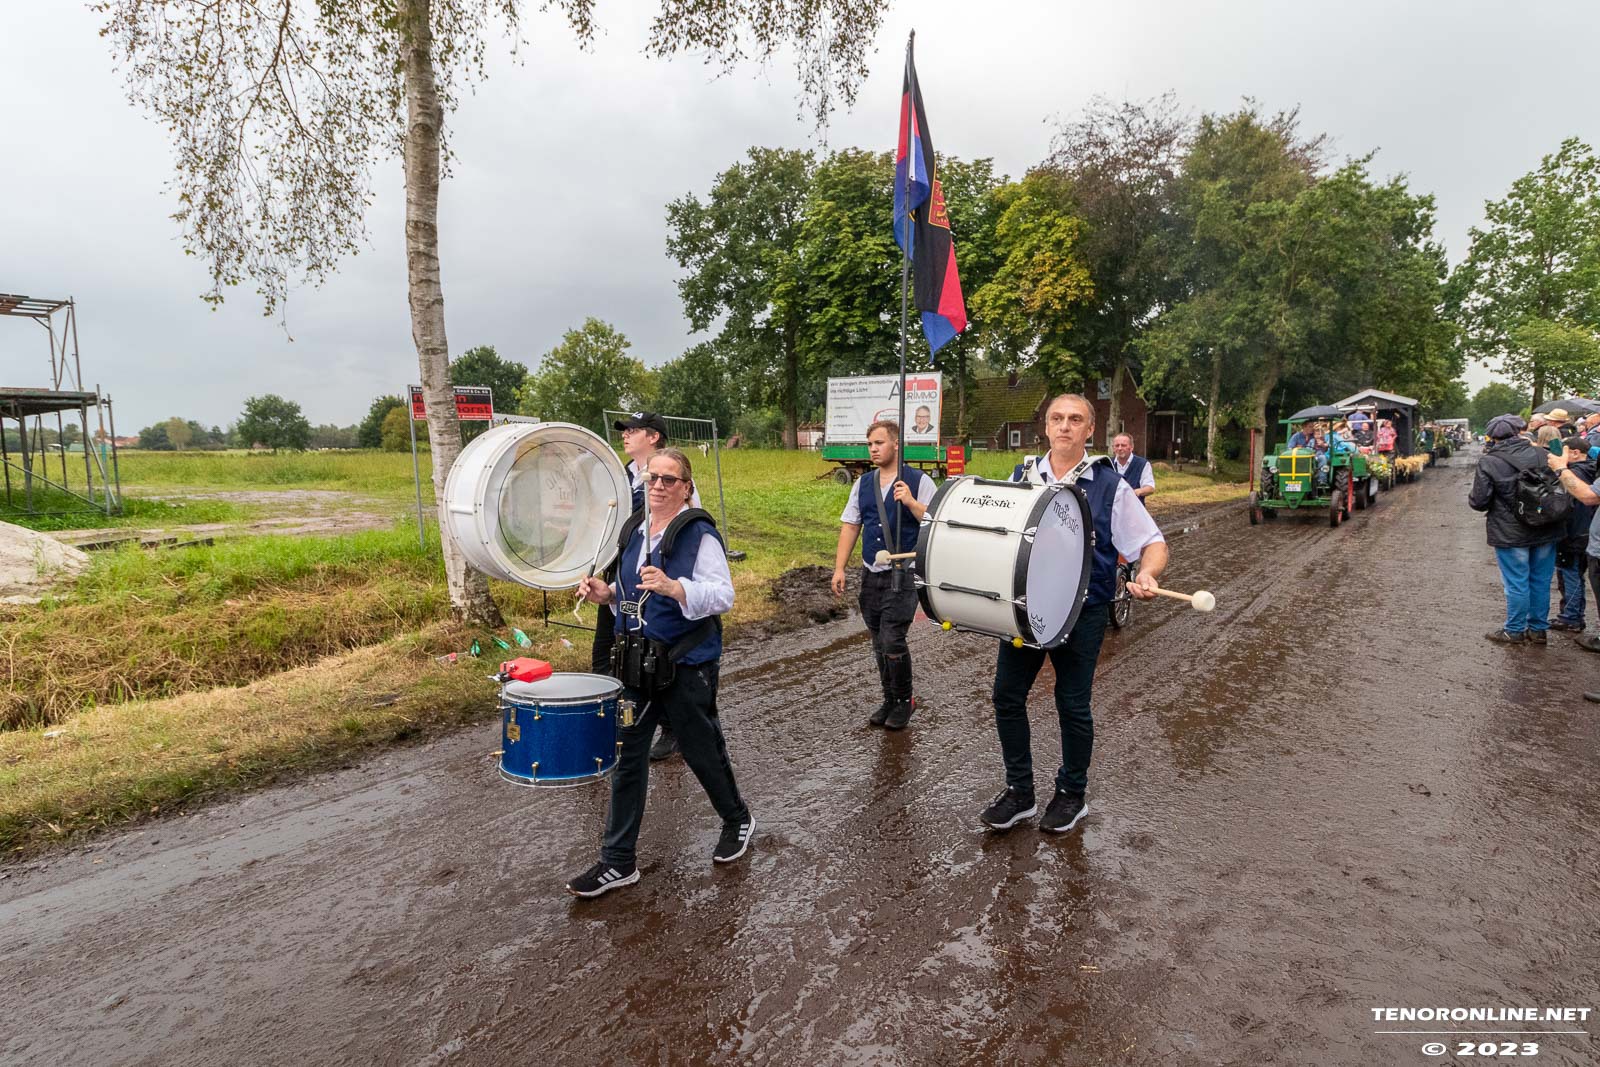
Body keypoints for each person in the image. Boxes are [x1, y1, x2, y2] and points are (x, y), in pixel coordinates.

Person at [567, 449, 752, 897]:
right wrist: (606, 594)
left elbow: (723, 596)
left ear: (686, 488)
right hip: (637, 664)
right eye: (653, 478)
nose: (659, 486)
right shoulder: (633, 530)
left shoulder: (698, 535)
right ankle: (618, 862)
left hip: (686, 663)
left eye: (669, 479)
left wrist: (676, 588)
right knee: (628, 756)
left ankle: (737, 820)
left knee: (701, 749)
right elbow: (630, 592)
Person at [979, 394, 1168, 835]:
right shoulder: (1020, 477)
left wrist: (1148, 572)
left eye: (1075, 419)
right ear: (1046, 427)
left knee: (1072, 703)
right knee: (1007, 696)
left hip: (1084, 611)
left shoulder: (1110, 485)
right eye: (1057, 418)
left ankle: (1071, 794)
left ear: (1090, 429)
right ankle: (1020, 792)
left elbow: (1152, 543)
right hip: (1026, 609)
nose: (1065, 426)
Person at [602, 412, 701, 762]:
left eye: (633, 430)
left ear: (654, 436)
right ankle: (613, 726)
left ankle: (673, 728)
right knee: (610, 652)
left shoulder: (676, 478)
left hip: (657, 579)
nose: (625, 435)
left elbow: (690, 529)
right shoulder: (622, 475)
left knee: (655, 657)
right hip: (621, 571)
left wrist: (672, 582)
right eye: (624, 430)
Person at [831, 420, 937, 729]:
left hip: (902, 574)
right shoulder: (863, 484)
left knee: (892, 638)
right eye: (870, 444)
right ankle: (889, 699)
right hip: (871, 574)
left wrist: (911, 502)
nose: (873, 449)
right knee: (878, 640)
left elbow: (935, 522)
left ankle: (904, 701)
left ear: (896, 444)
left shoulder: (919, 481)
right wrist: (839, 568)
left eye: (879, 443)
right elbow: (851, 525)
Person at [1469, 414, 1563, 644]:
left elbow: (1479, 501)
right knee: (1541, 581)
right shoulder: (1542, 453)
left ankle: (1514, 630)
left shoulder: (1489, 461)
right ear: (1519, 431)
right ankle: (1538, 630)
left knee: (1516, 583)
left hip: (1510, 531)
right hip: (1545, 526)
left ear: (1492, 437)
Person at [1551, 436, 1597, 633]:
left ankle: (1571, 617)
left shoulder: (1573, 475)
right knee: (1574, 574)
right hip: (1586, 531)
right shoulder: (1593, 470)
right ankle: (1572, 615)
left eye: (1564, 451)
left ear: (1575, 453)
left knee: (1570, 575)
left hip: (1574, 532)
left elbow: (1565, 504)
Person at [1110, 433, 1156, 500]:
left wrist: (1136, 492)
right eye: (1117, 445)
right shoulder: (1108, 464)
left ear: (1131, 447)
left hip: (1134, 505)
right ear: (1113, 448)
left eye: (1123, 445)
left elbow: (1150, 488)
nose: (1120, 448)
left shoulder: (1142, 464)